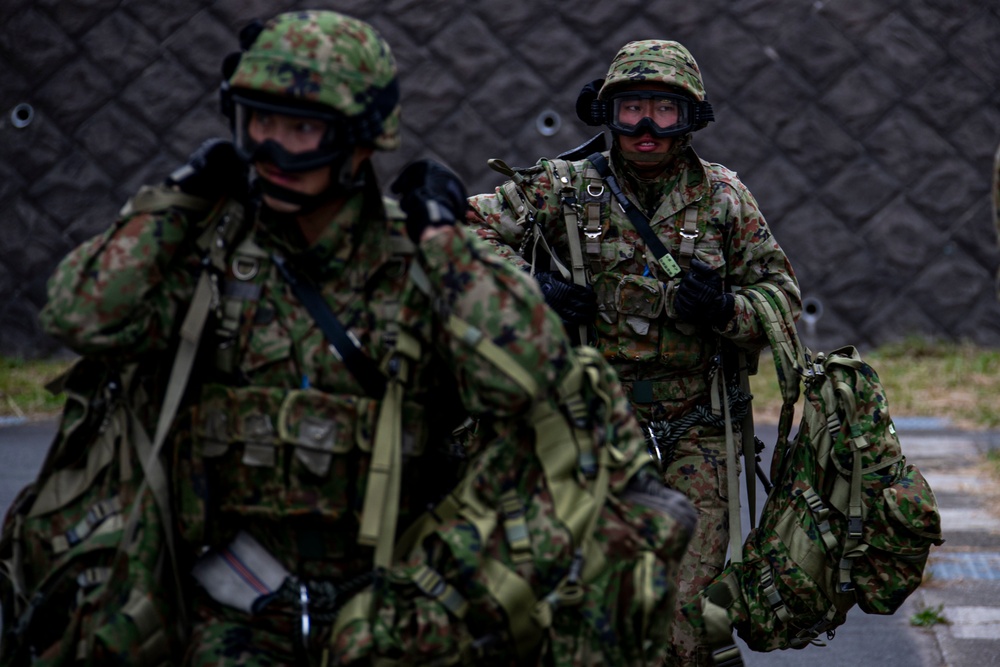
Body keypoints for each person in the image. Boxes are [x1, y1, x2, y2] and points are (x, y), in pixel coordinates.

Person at [38, 10, 591, 665]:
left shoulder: (422, 262)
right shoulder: (212, 254)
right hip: (233, 608)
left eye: (300, 128)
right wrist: (178, 198)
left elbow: (528, 372)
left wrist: (445, 241)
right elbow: (81, 314)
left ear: (362, 138)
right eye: (257, 122)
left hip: (396, 614)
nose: (270, 150)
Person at [466, 39, 802, 666]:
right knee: (579, 605)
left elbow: (782, 296)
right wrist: (531, 287)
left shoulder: (725, 199)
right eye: (631, 110)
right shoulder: (560, 190)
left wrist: (726, 310)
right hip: (586, 429)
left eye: (664, 112)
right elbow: (463, 234)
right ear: (607, 114)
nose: (646, 129)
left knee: (684, 617)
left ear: (691, 119)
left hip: (696, 434)